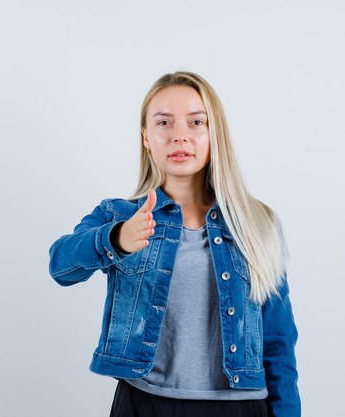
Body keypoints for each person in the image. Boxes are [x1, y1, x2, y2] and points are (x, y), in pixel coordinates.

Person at [48, 71, 300, 417]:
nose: (180, 135)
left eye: (196, 122)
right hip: (144, 402)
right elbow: (60, 265)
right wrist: (116, 239)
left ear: (214, 134)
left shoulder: (257, 224)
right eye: (164, 123)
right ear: (146, 137)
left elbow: (278, 343)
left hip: (239, 408)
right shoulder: (119, 215)